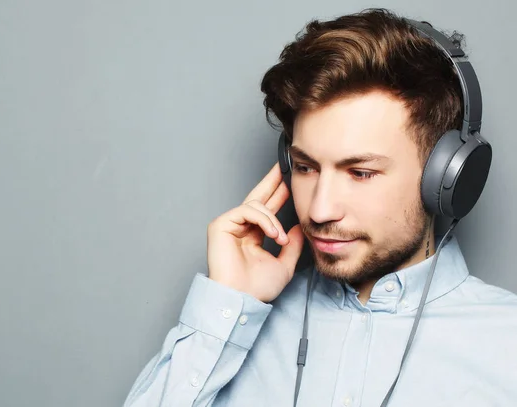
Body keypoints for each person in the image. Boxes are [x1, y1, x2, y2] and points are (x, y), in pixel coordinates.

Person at [123, 8, 517, 407]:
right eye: (307, 167)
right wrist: (227, 304)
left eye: (360, 172)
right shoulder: (232, 328)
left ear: (445, 176)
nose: (319, 210)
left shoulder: (507, 348)